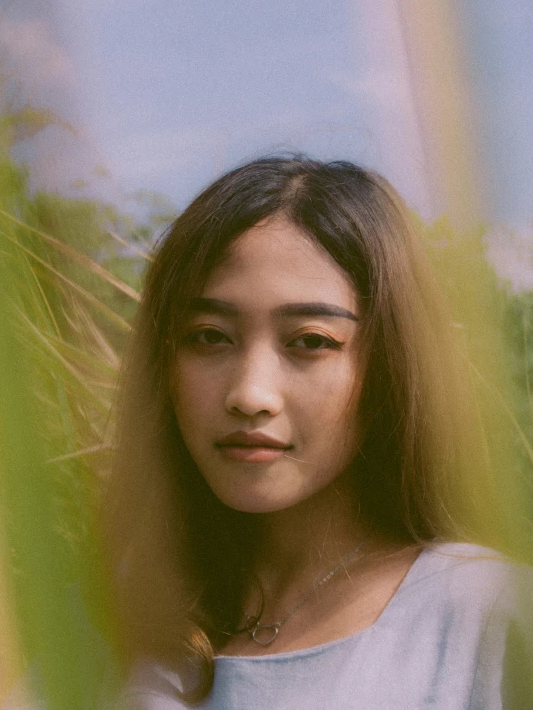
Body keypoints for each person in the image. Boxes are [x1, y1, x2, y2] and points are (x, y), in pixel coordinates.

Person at [105, 156, 533, 709]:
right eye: (210, 336)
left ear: (388, 369)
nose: (250, 394)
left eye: (310, 341)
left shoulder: (493, 619)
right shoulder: (111, 613)